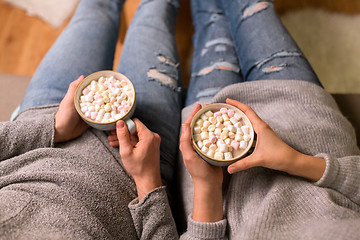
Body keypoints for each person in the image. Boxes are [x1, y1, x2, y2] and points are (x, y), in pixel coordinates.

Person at [1, 0, 359, 239]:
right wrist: (148, 181)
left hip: (48, 118)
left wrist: (52, 128)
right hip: (141, 162)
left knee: (113, 9)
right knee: (211, 19)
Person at [112, 0, 360, 239]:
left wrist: (207, 184)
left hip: (215, 170)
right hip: (300, 110)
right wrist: (294, 160)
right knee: (253, 8)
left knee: (212, 26)